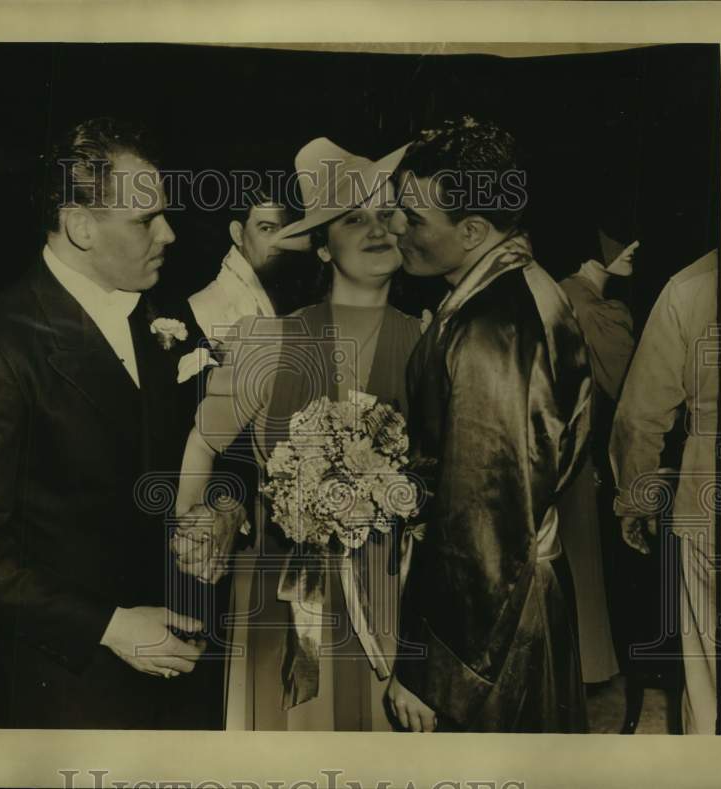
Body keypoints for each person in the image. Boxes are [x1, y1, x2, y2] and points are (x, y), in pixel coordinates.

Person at [0, 118, 221, 729]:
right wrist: (112, 627)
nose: (168, 233)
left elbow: (212, 444)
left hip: (190, 645)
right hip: (73, 676)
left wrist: (224, 512)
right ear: (81, 227)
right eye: (145, 220)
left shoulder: (166, 317)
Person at [171, 137, 420, 731]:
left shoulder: (430, 342)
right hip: (280, 600)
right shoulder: (270, 341)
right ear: (323, 247)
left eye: (387, 214)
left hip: (394, 595)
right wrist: (189, 536)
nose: (378, 230)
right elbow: (203, 441)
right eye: (354, 219)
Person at [385, 116, 592, 732]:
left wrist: (431, 671)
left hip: (489, 636)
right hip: (512, 610)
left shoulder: (490, 328)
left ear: (473, 230)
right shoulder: (519, 286)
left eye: (414, 218)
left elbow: (484, 519)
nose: (394, 227)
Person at [609, 249, 720, 734]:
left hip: (711, 491)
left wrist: (635, 499)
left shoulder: (690, 284)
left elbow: (640, 416)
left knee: (706, 670)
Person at [556, 236, 639, 686]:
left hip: (559, 452)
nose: (633, 247)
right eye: (618, 240)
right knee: (583, 562)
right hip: (584, 452)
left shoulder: (561, 292)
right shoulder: (592, 309)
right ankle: (586, 672)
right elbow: (631, 387)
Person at [188, 186, 297, 341]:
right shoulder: (203, 308)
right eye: (266, 229)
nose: (279, 241)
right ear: (238, 234)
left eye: (284, 230)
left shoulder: (285, 294)